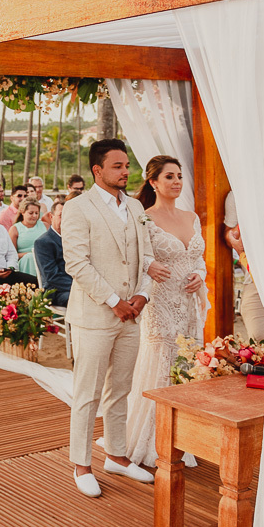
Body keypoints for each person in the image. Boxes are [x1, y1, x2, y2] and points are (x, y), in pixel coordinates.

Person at [61, 139, 155, 497]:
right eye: (117, 166)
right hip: (96, 315)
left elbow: (146, 258)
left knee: (121, 390)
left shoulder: (134, 206)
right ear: (97, 170)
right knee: (88, 393)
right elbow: (77, 264)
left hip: (132, 314)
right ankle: (81, 464)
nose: (125, 171)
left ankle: (117, 454)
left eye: (127, 165)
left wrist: (142, 295)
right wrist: (115, 301)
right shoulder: (78, 208)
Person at [124, 156, 208, 469]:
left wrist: (200, 274)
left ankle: (184, 439)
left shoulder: (192, 217)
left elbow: (198, 258)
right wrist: (149, 264)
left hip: (189, 306)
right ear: (153, 182)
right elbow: (132, 255)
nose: (176, 182)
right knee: (160, 364)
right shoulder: (144, 218)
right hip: (160, 303)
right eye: (169, 176)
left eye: (179, 176)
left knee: (187, 365)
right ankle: (150, 440)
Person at [225, 191, 264, 342]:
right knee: (262, 345)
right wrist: (234, 237)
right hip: (256, 281)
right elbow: (228, 233)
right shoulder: (238, 193)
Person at [32, 199, 72, 306]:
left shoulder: (75, 239)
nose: (65, 220)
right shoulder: (43, 242)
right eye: (61, 216)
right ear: (51, 216)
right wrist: (78, 288)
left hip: (76, 287)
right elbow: (52, 277)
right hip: (56, 291)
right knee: (84, 300)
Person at [10, 200, 48, 277]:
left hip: (43, 258)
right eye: (31, 213)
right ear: (22, 212)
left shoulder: (46, 226)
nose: (34, 216)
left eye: (36, 213)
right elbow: (11, 255)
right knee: (30, 258)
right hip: (26, 260)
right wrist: (31, 254)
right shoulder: (15, 229)